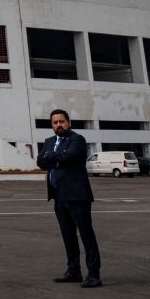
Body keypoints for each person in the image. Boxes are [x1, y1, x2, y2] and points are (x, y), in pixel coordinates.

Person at [36, 109, 102, 288]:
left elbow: (70, 156)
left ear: (69, 123)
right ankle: (74, 271)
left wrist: (53, 158)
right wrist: (54, 158)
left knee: (86, 235)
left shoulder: (77, 139)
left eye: (61, 122)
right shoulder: (49, 141)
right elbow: (40, 161)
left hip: (77, 195)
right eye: (55, 122)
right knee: (68, 236)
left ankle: (94, 274)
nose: (58, 125)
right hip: (59, 196)